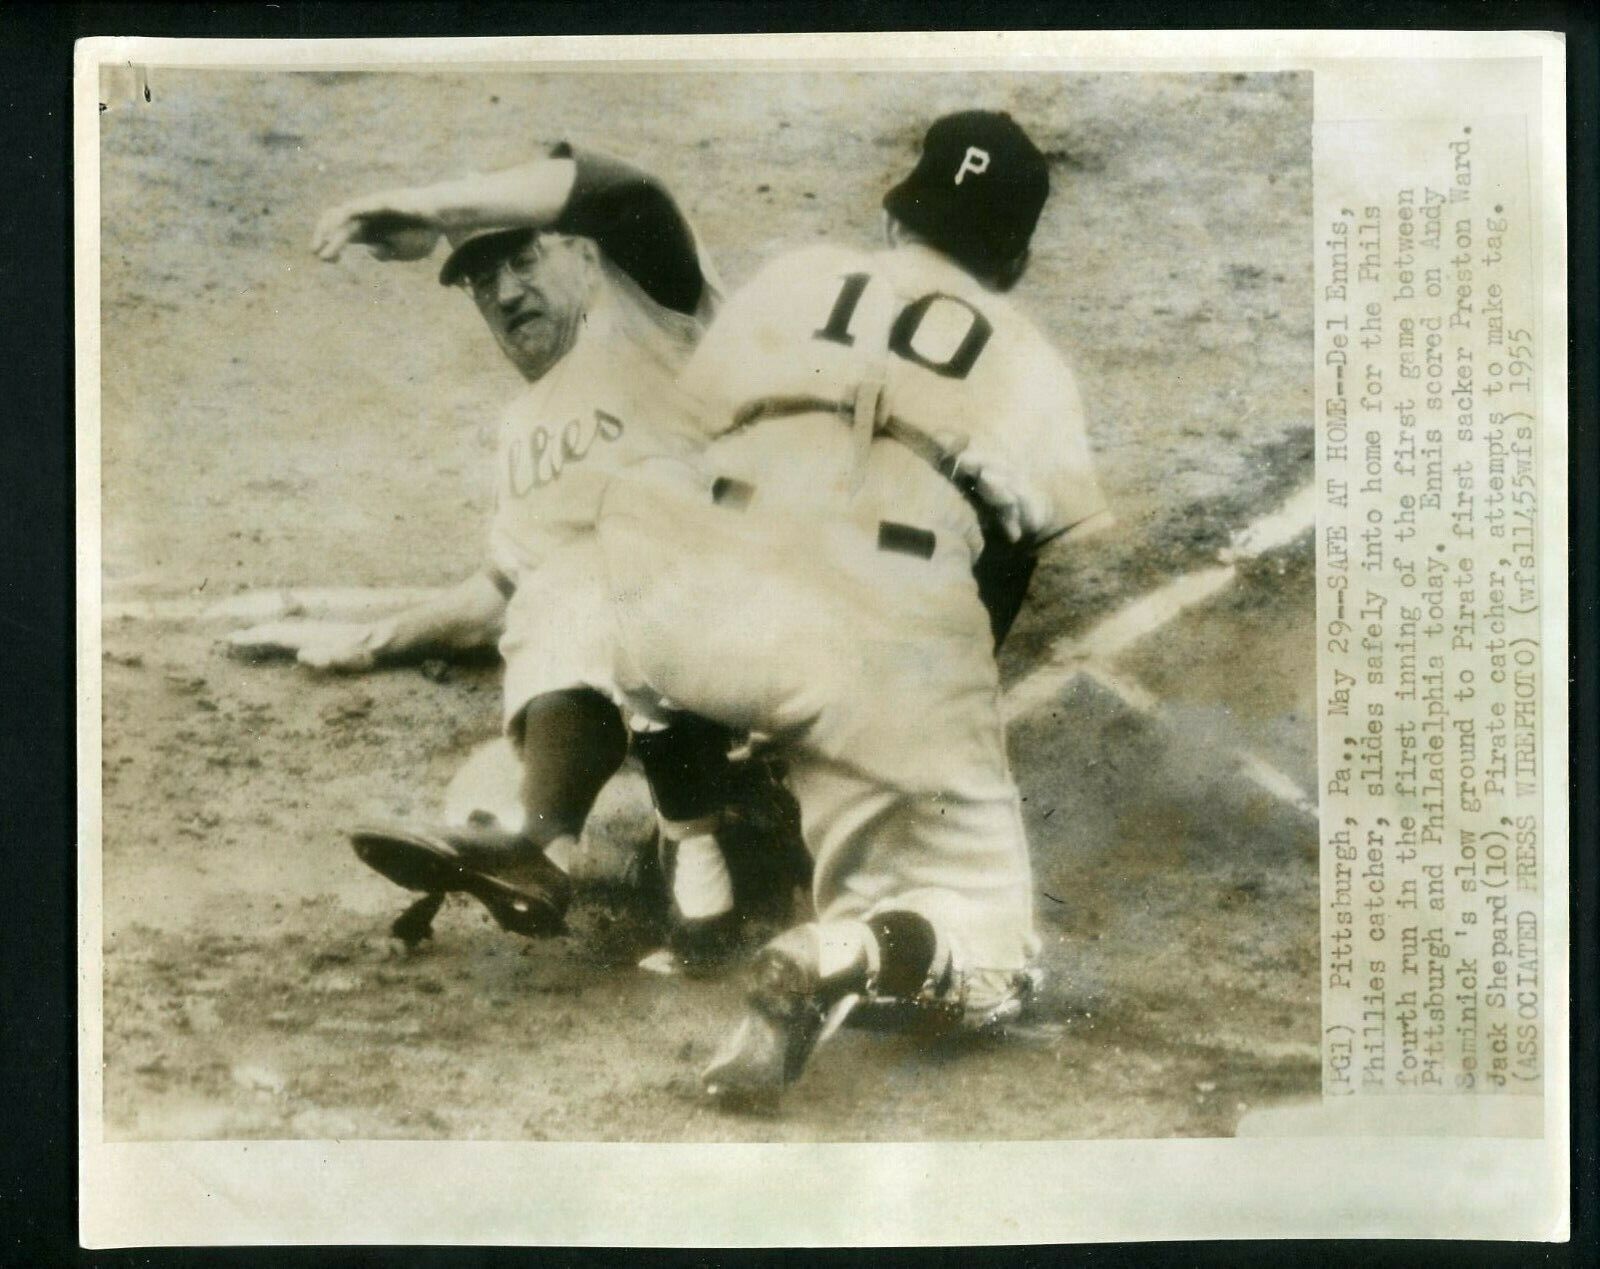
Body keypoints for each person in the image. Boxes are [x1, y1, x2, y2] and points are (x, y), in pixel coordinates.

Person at [590, 110, 1114, 1106]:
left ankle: (695, 868)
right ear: (1015, 253)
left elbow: (684, 433)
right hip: (883, 632)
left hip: (683, 605)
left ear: (895, 218)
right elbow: (1011, 567)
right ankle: (838, 949)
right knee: (995, 960)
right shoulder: (1030, 356)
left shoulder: (795, 276)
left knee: (641, 514)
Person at [231, 144, 796, 958]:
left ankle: (580, 836)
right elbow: (501, 589)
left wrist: (431, 204)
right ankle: (560, 845)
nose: (502, 291)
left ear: (579, 252)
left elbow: (628, 188)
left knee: (601, 560)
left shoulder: (655, 318)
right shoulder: (520, 428)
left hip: (766, 626)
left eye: (521, 258)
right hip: (647, 671)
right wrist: (371, 639)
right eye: (478, 279)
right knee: (483, 785)